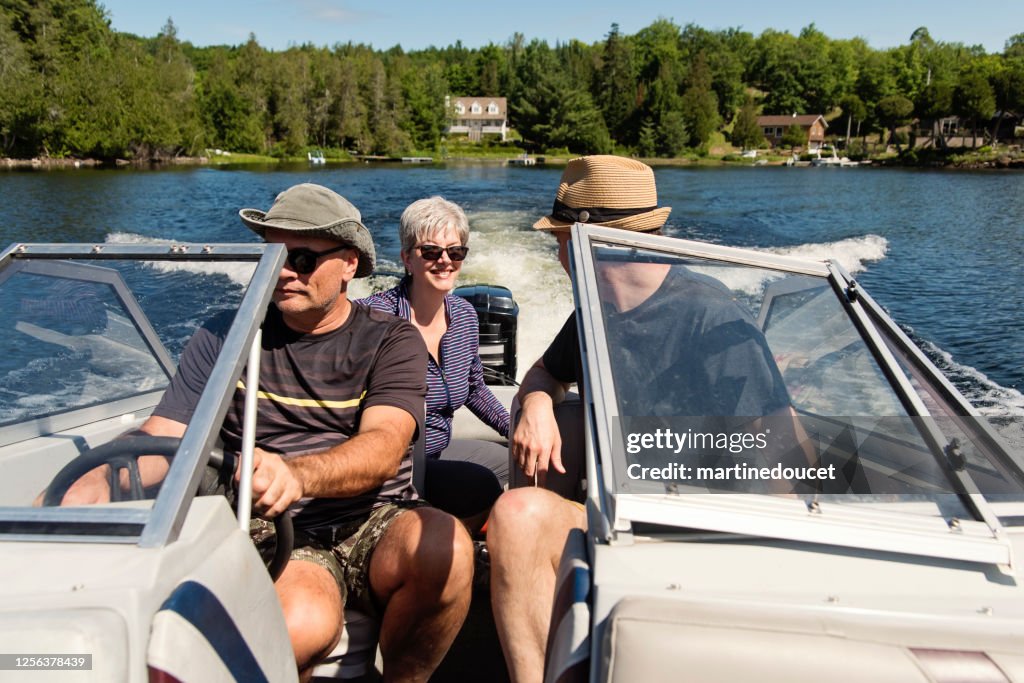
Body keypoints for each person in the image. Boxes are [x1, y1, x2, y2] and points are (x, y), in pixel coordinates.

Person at [57, 183, 474, 682]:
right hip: (280, 528)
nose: (286, 272)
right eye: (273, 256)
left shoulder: (391, 338)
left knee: (445, 549)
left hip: (372, 514)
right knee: (301, 622)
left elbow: (383, 446)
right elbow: (165, 439)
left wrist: (297, 474)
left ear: (349, 265)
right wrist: (91, 484)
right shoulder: (226, 335)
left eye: (302, 257)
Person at [488, 156, 795, 682]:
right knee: (526, 495)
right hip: (616, 517)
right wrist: (537, 405)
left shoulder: (711, 318)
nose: (556, 250)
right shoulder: (597, 310)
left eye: (561, 237)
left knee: (518, 516)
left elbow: (779, 472)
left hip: (693, 532)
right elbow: (543, 374)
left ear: (592, 242)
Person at [359, 196, 509, 527]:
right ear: (407, 259)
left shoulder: (465, 316)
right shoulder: (373, 319)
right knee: (479, 485)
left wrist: (516, 430)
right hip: (393, 461)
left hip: (438, 451)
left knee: (519, 461)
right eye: (431, 252)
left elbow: (473, 389)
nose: (445, 261)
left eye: (455, 252)